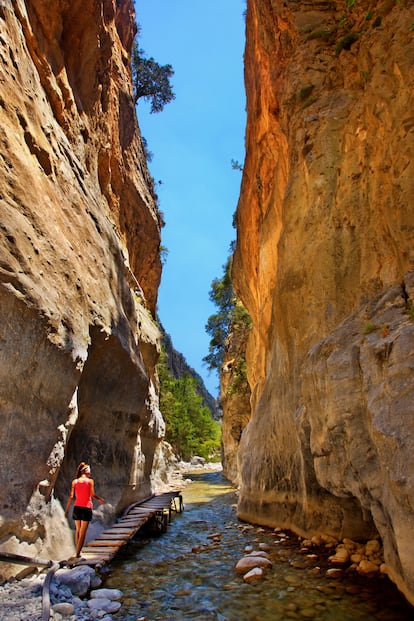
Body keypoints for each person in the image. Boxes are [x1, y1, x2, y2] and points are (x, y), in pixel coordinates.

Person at [65, 462, 105, 558]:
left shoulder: (75, 481)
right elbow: (92, 494)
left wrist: (66, 509)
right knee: (83, 532)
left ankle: (77, 551)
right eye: (89, 470)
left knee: (78, 530)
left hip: (77, 507)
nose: (90, 472)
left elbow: (71, 496)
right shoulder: (90, 481)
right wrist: (99, 499)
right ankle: (78, 554)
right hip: (86, 508)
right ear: (86, 471)